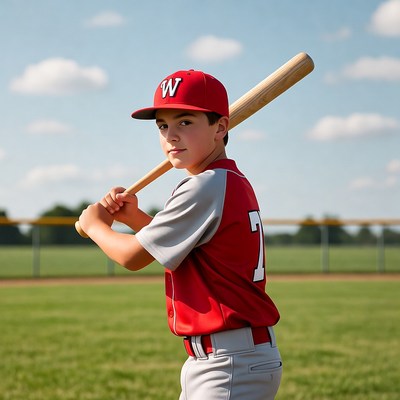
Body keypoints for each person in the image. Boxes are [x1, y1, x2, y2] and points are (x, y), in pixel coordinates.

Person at [78, 69, 282, 399]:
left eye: (185, 122)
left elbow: (132, 257)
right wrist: (134, 217)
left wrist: (95, 226)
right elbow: (187, 255)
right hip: (229, 358)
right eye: (162, 125)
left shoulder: (204, 185)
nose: (171, 135)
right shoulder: (227, 180)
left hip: (229, 361)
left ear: (220, 127)